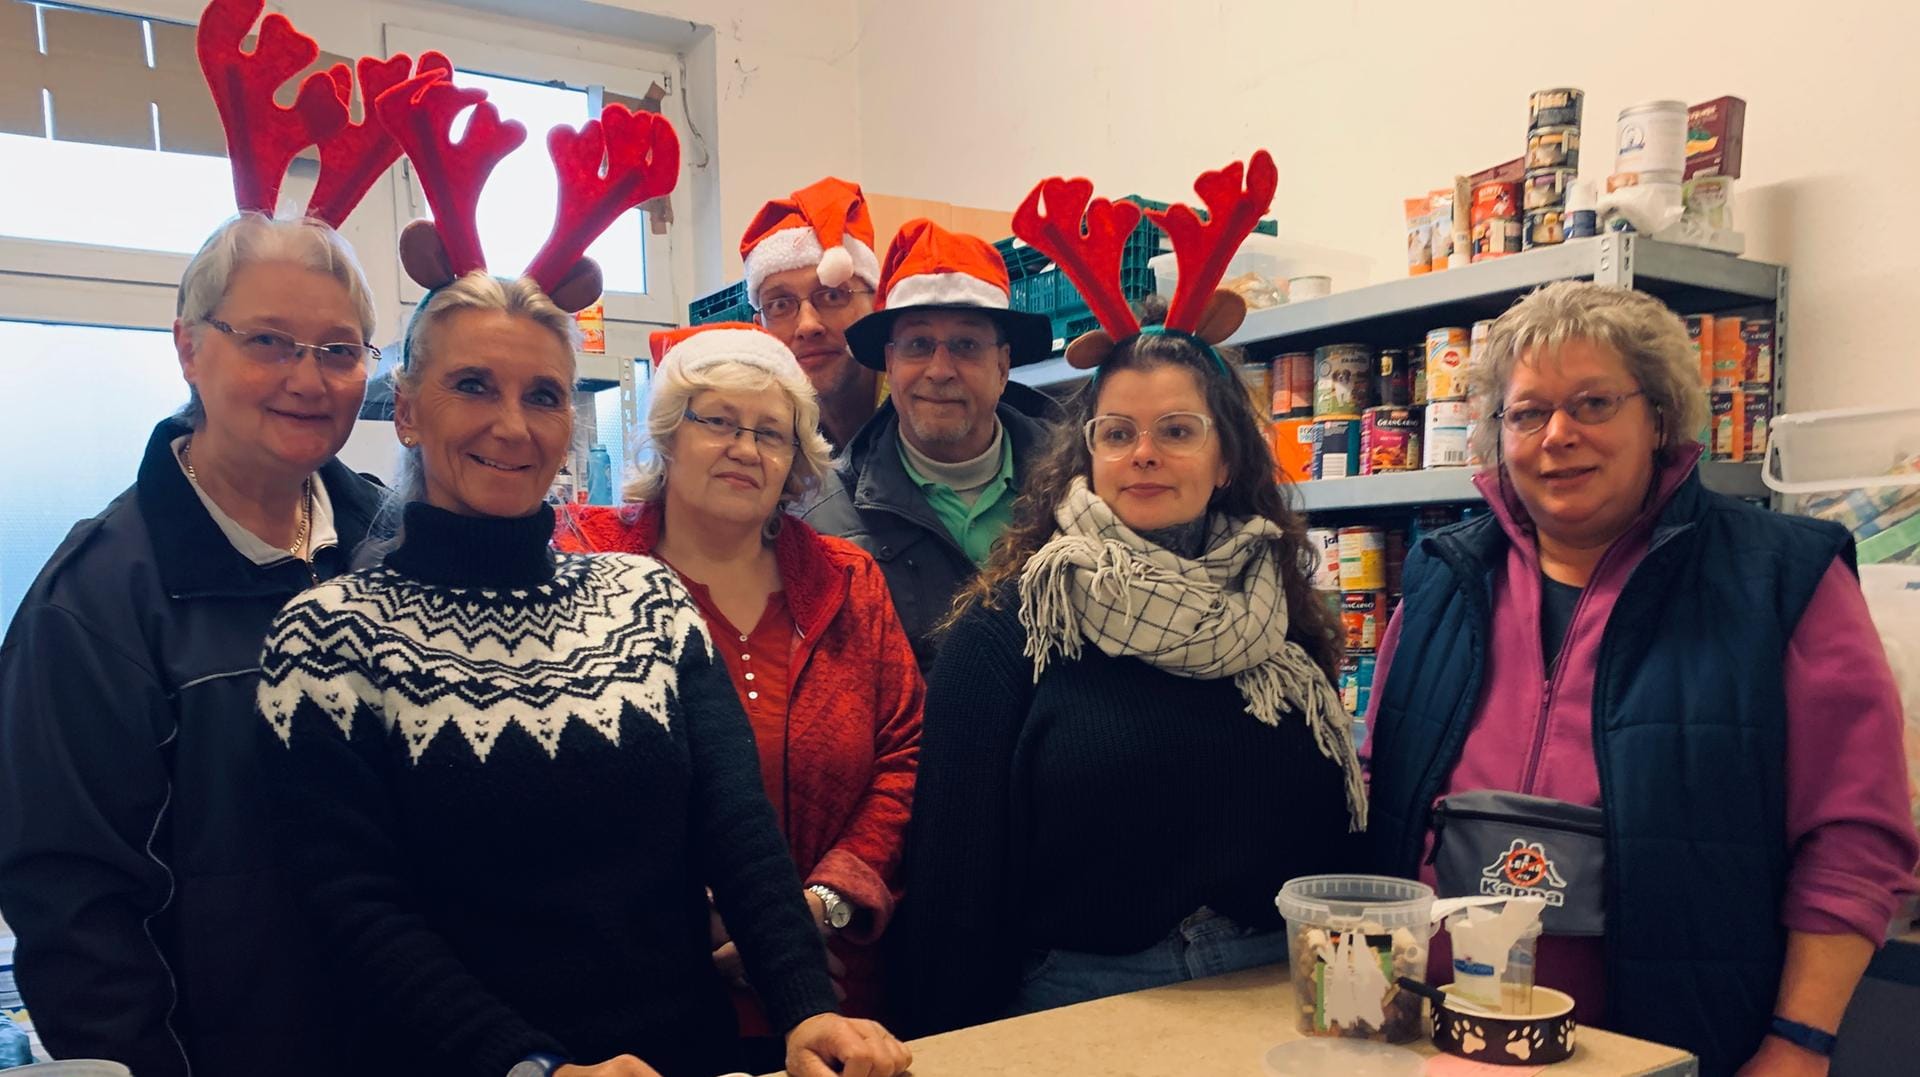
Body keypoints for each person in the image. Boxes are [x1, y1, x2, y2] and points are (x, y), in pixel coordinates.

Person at [254, 78, 910, 1077]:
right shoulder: (329, 639)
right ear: (412, 411)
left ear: (572, 426)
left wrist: (804, 1009)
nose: (512, 424)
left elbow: (735, 831)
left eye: (544, 395)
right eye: (474, 385)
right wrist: (534, 1068)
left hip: (680, 1053)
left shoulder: (642, 603)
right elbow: (353, 905)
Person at [1364, 281, 1920, 1077]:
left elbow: (1855, 835)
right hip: (1439, 1048)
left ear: (1658, 417)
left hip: (1675, 1052)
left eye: (1593, 403)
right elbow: (1385, 786)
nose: (1558, 435)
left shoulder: (1780, 578)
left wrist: (1801, 1042)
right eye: (1527, 412)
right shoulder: (1440, 579)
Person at [0, 6, 408, 1069]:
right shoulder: (97, 602)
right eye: (267, 340)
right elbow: (73, 906)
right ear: (189, 348)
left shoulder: (391, 545)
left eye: (339, 348)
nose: (308, 378)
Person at [893, 158, 1365, 1037]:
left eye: (1177, 431)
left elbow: (1332, 841)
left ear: (1227, 458)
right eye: (1119, 433)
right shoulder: (1013, 628)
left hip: (1274, 991)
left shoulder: (1282, 618)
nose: (1145, 453)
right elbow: (955, 879)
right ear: (1089, 457)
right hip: (1080, 1004)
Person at [554, 323, 923, 1066]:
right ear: (667, 434)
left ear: (795, 461)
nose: (745, 448)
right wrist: (705, 926)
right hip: (638, 1008)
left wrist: (818, 907)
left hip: (835, 997)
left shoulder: (849, 583)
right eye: (717, 420)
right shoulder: (579, 568)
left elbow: (903, 755)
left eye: (771, 432)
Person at [800, 218, 1057, 668]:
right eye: (919, 344)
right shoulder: (822, 517)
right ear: (890, 362)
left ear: (1003, 365)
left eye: (966, 344)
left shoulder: (1078, 485)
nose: (940, 370)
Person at [740, 178, 884, 449]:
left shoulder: (924, 421)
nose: (807, 325)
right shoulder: (761, 451)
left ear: (877, 305)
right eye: (780, 305)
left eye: (832, 295)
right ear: (761, 328)